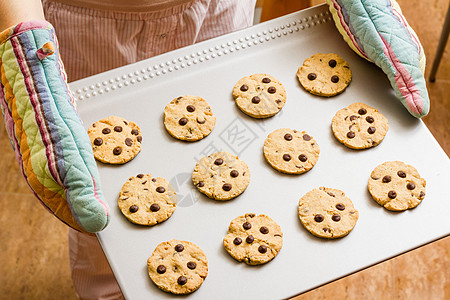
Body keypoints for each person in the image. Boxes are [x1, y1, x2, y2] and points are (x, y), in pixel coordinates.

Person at [0, 0, 256, 299]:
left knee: (218, 163)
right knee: (101, 201)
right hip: (89, 28)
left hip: (217, 12)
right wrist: (30, 73)